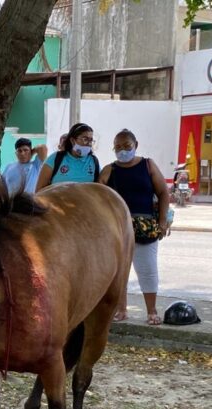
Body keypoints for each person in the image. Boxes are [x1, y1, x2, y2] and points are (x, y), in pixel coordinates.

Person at [100, 129, 169, 324]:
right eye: (118, 147)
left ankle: (152, 311)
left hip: (145, 227)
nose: (122, 151)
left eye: (127, 146)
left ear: (135, 145)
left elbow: (163, 192)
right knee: (120, 271)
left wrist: (162, 221)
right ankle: (121, 310)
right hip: (119, 228)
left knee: (147, 269)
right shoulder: (110, 169)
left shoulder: (148, 165)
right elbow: (99, 191)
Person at [36, 123, 99, 189]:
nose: (89, 144)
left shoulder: (93, 161)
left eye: (91, 140)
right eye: (85, 139)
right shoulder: (55, 158)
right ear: (72, 140)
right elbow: (39, 190)